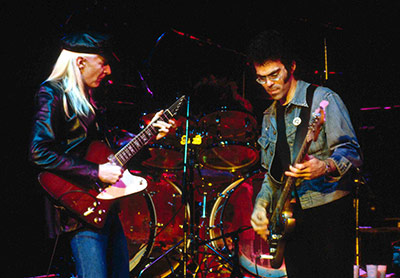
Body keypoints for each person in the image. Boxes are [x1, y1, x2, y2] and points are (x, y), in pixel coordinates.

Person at [29, 32, 174, 278]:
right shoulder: (52, 94)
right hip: (79, 210)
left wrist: (150, 135)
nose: (107, 70)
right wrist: (95, 172)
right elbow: (38, 151)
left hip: (104, 207)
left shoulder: (91, 99)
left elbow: (109, 153)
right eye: (103, 62)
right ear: (80, 62)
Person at [247, 30, 362, 278]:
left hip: (328, 212)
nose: (268, 83)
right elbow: (273, 175)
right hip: (291, 219)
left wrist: (325, 166)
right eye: (261, 78)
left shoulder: (324, 100)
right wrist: (260, 205)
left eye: (274, 74)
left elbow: (352, 152)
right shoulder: (268, 116)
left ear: (291, 67)